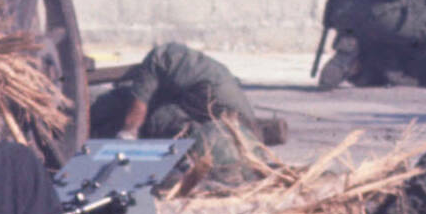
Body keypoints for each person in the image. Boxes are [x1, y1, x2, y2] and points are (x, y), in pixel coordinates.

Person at [91, 42, 287, 149]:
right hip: (219, 94)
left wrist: (128, 133)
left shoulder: (155, 64)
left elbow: (139, 104)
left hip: (215, 99)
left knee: (162, 119)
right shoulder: (177, 67)